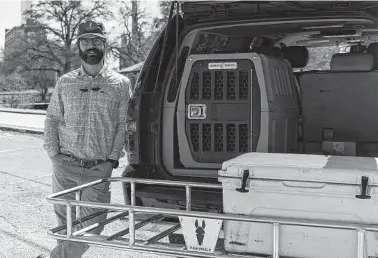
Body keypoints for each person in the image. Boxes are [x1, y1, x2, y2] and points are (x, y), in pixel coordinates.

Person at [41, 20, 130, 258]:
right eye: (85, 41)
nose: (91, 45)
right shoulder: (65, 82)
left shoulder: (121, 84)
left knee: (92, 227)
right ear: (78, 45)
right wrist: (54, 155)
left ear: (105, 45)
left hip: (98, 168)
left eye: (96, 40)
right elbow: (51, 119)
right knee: (65, 226)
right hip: (65, 165)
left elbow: (123, 124)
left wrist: (111, 160)